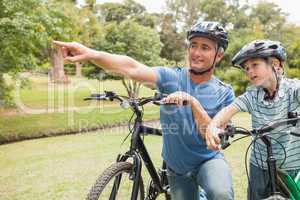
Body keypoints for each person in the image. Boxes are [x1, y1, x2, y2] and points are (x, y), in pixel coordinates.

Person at [53, 20, 235, 200]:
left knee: (221, 194)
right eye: (193, 45)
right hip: (177, 169)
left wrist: (193, 102)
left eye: (205, 47)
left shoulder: (224, 93)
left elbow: (211, 137)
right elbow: (132, 67)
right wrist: (91, 53)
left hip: (208, 161)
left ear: (218, 55)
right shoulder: (170, 78)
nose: (196, 52)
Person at [204, 39, 300, 199]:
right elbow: (227, 112)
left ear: (275, 64)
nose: (249, 71)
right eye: (246, 68)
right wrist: (213, 126)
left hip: (293, 164)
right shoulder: (252, 95)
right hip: (260, 165)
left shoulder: (293, 89)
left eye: (254, 65)